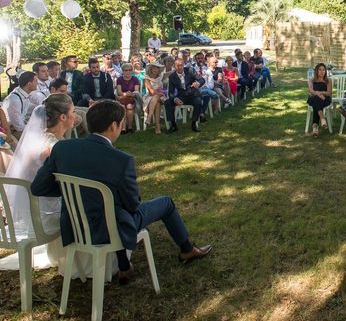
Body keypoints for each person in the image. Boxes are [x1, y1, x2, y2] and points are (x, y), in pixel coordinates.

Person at [30, 100, 212, 284]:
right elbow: (132, 204)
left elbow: (38, 187)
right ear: (114, 125)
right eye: (122, 122)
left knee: (113, 208)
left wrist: (74, 191)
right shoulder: (122, 160)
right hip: (110, 230)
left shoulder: (62, 148)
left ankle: (124, 267)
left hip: (75, 226)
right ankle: (187, 249)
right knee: (165, 203)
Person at [0, 95, 83, 274]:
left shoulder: (38, 139)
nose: (75, 116)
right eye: (73, 112)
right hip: (42, 216)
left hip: (28, 211)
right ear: (62, 117)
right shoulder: (52, 147)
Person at [165, 58, 203, 133]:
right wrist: (175, 99)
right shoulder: (172, 76)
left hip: (192, 95)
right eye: (177, 65)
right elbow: (171, 92)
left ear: (183, 65)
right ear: (174, 66)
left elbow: (202, 80)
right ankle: (173, 125)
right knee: (167, 102)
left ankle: (194, 123)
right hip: (181, 96)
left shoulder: (190, 70)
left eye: (181, 65)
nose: (179, 67)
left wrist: (198, 83)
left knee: (198, 101)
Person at [2, 71, 37, 139]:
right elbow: (18, 126)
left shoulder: (22, 93)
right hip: (10, 131)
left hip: (18, 127)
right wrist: (32, 130)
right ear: (29, 84)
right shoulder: (15, 99)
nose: (37, 83)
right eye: (35, 81)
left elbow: (30, 107)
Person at [306, 63, 332, 137]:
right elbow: (310, 90)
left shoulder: (328, 80)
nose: (322, 72)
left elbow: (329, 93)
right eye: (320, 70)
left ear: (325, 71)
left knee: (316, 103)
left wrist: (321, 93)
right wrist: (318, 94)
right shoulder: (311, 80)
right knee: (316, 100)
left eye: (323, 70)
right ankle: (322, 118)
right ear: (316, 71)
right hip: (314, 98)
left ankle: (315, 127)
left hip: (325, 99)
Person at [142, 62, 166, 135]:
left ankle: (149, 117)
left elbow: (170, 72)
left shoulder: (161, 76)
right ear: (151, 69)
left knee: (157, 98)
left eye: (158, 68)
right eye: (154, 68)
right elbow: (151, 91)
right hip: (150, 97)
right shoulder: (147, 78)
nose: (156, 70)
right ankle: (157, 126)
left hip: (162, 96)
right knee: (157, 103)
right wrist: (159, 93)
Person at [116, 63, 140, 134]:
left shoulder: (135, 79)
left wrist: (129, 94)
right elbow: (119, 92)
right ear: (123, 71)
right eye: (126, 70)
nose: (128, 72)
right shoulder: (119, 79)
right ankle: (123, 128)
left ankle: (130, 127)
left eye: (130, 70)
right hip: (123, 97)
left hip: (132, 98)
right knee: (122, 107)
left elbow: (136, 91)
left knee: (129, 106)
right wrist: (126, 94)